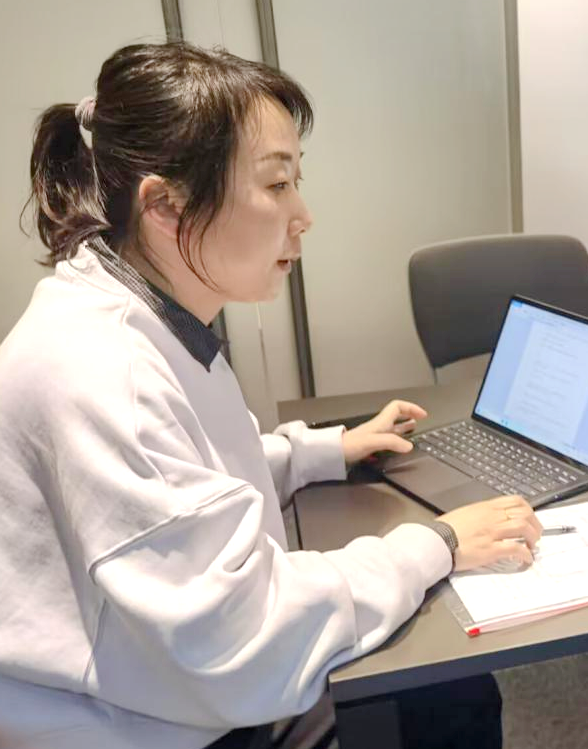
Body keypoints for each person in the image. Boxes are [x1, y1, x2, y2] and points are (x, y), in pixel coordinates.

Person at [0, 42, 542, 749]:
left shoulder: (125, 306)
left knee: (443, 680)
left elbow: (186, 480)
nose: (303, 214)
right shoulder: (104, 372)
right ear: (165, 205)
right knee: (447, 689)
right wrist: (437, 543)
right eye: (277, 183)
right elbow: (245, 642)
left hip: (163, 685)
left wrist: (322, 451)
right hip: (147, 724)